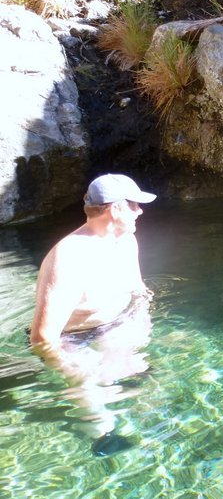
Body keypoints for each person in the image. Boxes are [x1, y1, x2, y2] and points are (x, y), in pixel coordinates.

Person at [29, 173, 157, 455]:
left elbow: (138, 288)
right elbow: (42, 337)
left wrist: (143, 321)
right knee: (89, 380)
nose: (141, 210)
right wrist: (72, 369)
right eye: (135, 205)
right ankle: (103, 438)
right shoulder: (69, 258)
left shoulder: (125, 241)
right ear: (116, 208)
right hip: (71, 338)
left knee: (136, 372)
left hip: (114, 323)